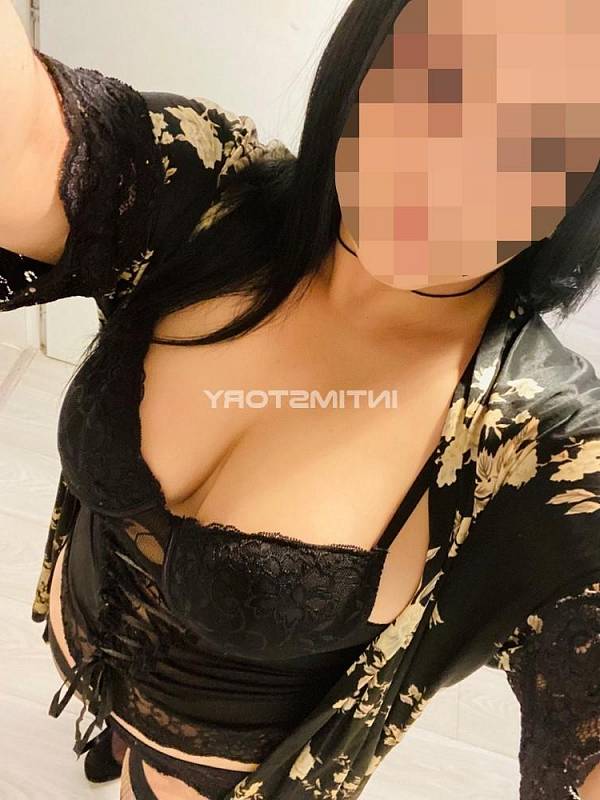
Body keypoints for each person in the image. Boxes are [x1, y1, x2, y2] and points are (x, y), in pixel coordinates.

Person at [1, 0, 599, 798]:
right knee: (112, 730)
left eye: (535, 135)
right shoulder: (209, 188)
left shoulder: (544, 448)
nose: (447, 167)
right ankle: (110, 733)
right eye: (439, 79)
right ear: (369, 60)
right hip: (81, 627)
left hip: (211, 771)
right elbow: (25, 142)